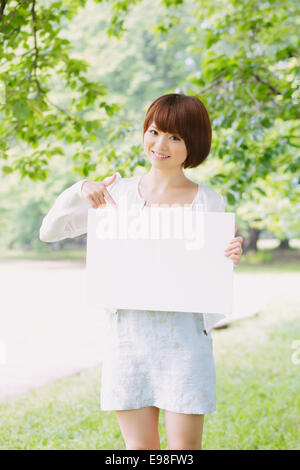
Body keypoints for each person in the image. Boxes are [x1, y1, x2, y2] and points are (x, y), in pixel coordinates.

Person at [40, 93, 243, 450]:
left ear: (192, 144)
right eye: (153, 131)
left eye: (175, 137)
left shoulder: (209, 201)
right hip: (128, 338)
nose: (160, 144)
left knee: (185, 451)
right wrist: (80, 190)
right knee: (139, 450)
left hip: (184, 340)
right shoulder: (115, 193)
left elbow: (210, 281)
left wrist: (229, 255)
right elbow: (50, 231)